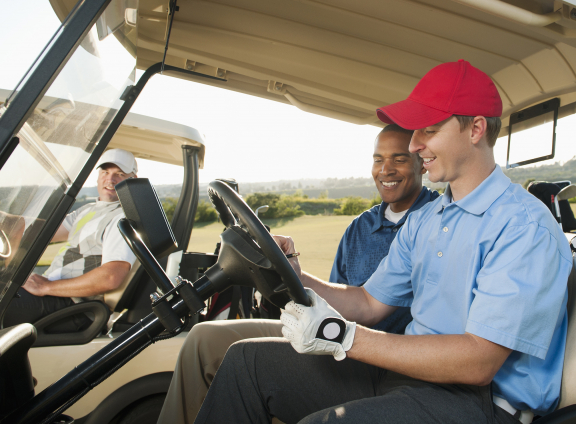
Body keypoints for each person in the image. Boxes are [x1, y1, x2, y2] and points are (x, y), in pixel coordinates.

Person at [193, 60, 576, 424]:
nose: (414, 145)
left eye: (428, 130)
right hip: (407, 376)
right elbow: (368, 303)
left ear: (476, 129)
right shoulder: (428, 219)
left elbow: (478, 363)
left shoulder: (524, 226)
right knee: (247, 363)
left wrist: (341, 335)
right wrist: (293, 272)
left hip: (479, 403)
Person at [156, 124, 439, 424]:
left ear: (422, 161)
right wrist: (289, 273)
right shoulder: (360, 227)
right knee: (202, 338)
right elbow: (342, 299)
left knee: (244, 361)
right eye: (378, 159)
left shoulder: (434, 223)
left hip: (376, 356)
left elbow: (368, 309)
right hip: (330, 334)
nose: (386, 170)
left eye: (399, 159)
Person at [0, 148, 139, 328]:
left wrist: (45, 287)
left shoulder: (122, 218)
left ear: (132, 180)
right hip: (56, 296)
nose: (110, 179)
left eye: (119, 174)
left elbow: (111, 277)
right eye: (105, 172)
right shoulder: (88, 210)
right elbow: (36, 230)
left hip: (74, 306)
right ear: (98, 176)